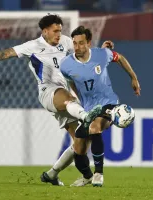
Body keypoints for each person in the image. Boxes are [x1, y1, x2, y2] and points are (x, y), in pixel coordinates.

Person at [0, 14, 114, 186]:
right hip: (48, 92)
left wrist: (101, 50)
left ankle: (53, 174)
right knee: (68, 100)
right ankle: (85, 115)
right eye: (55, 31)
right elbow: (7, 53)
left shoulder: (66, 42)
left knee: (81, 145)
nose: (59, 34)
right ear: (45, 31)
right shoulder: (33, 46)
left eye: (60, 30)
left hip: (66, 95)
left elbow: (83, 53)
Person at [60, 26, 141, 187]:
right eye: (75, 43)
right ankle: (87, 176)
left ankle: (99, 174)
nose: (77, 47)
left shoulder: (101, 54)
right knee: (78, 149)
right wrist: (81, 100)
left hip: (108, 103)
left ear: (89, 43)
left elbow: (120, 58)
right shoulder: (66, 65)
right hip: (88, 109)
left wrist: (133, 78)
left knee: (95, 127)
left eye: (81, 43)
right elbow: (71, 82)